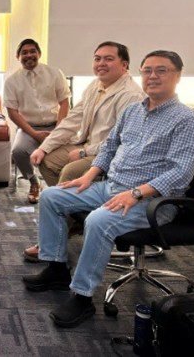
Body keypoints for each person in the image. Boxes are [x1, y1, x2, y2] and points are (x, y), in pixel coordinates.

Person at [22, 50, 194, 328]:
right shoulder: (133, 111)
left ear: (178, 76)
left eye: (162, 70)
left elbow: (180, 174)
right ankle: (57, 269)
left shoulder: (187, 121)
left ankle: (82, 297)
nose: (153, 76)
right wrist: (89, 176)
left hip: (152, 201)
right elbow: (109, 147)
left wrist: (135, 193)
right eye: (147, 70)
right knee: (51, 196)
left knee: (98, 220)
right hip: (111, 186)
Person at [23, 41, 145, 262]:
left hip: (111, 154)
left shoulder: (130, 95)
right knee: (47, 159)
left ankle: (56, 238)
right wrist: (43, 147)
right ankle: (75, 218)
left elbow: (120, 140)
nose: (101, 63)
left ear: (124, 65)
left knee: (70, 172)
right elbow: (73, 119)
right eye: (97, 58)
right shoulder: (96, 85)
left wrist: (84, 152)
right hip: (87, 145)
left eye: (108, 59)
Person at [4, 38, 70, 203]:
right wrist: (34, 133)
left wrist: (58, 130)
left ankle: (63, 187)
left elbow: (64, 102)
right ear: (18, 57)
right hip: (28, 128)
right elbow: (12, 112)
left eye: (32, 51)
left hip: (55, 125)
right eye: (24, 52)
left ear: (39, 54)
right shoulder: (12, 81)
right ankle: (34, 182)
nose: (29, 55)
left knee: (69, 153)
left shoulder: (55, 73)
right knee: (18, 152)